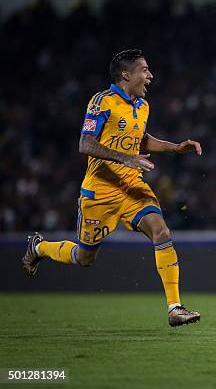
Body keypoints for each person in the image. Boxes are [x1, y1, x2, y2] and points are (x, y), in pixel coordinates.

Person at [22, 49, 202, 327]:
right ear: (125, 75)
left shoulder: (142, 106)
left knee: (161, 230)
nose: (150, 75)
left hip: (131, 185)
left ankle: (175, 308)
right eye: (144, 70)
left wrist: (174, 147)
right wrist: (126, 158)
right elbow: (86, 144)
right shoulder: (101, 102)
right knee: (84, 258)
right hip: (100, 191)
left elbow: (139, 139)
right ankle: (40, 247)